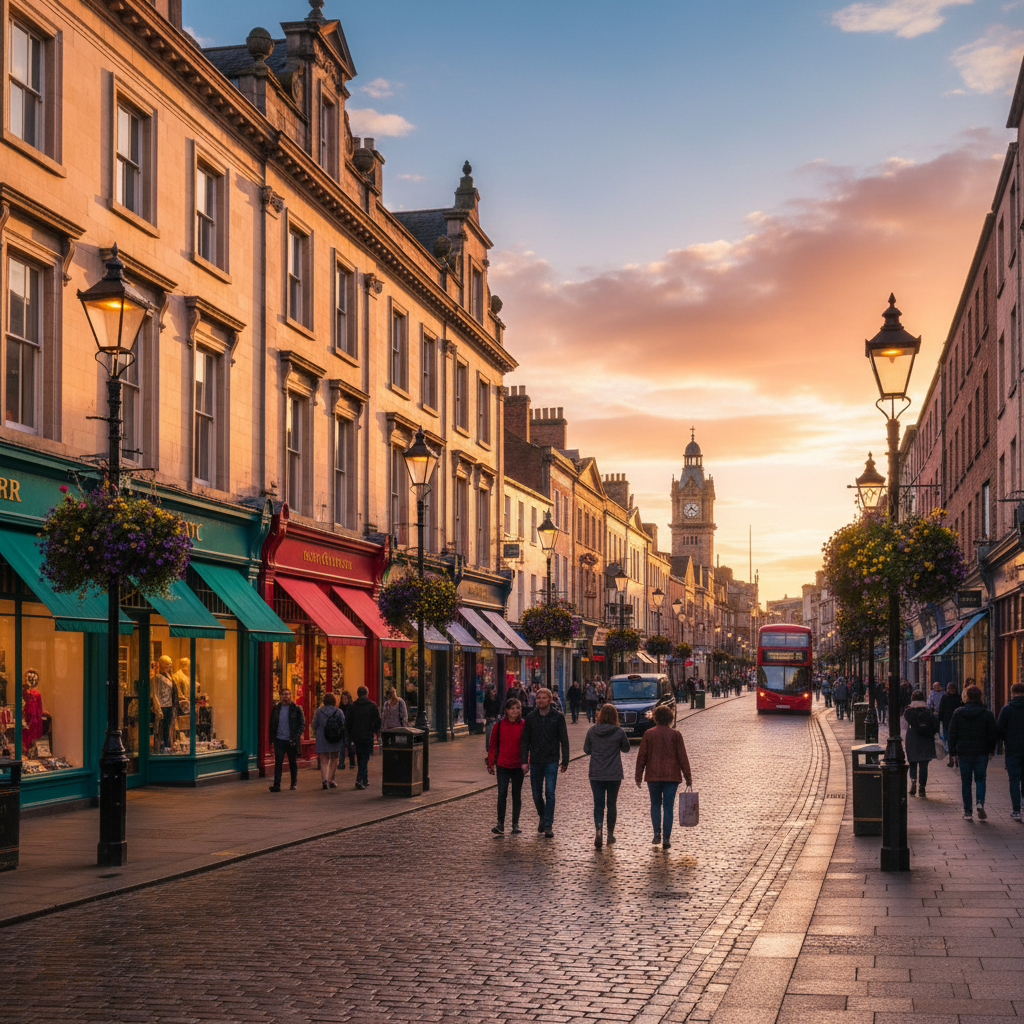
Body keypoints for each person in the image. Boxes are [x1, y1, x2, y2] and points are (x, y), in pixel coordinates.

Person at [635, 704, 692, 850]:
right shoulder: (675, 735)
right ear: (670, 718)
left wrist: (638, 775)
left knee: (655, 805)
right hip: (671, 776)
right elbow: (683, 758)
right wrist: (688, 777)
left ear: (655, 718)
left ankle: (656, 834)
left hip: (653, 775)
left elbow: (642, 757)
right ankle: (666, 838)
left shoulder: (648, 734)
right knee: (668, 807)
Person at [519, 687, 570, 838]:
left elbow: (564, 740)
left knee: (549, 792)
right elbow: (525, 740)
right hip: (535, 760)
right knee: (536, 795)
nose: (540, 700)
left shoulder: (557, 717)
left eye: (543, 698)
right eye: (538, 698)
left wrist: (565, 760)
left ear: (550, 699)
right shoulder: (531, 717)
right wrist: (524, 761)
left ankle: (548, 824)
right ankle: (542, 816)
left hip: (551, 760)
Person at [948, 684, 997, 820]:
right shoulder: (987, 714)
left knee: (966, 781)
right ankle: (980, 802)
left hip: (964, 751)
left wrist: (952, 752)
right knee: (980, 778)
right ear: (980, 697)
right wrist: (991, 749)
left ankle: (968, 811)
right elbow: (992, 734)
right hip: (981, 750)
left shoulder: (958, 713)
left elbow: (952, 733)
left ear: (967, 697)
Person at [585, 703, 630, 848]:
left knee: (598, 804)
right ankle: (610, 834)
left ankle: (598, 830)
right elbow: (626, 749)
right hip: (614, 773)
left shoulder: (592, 731)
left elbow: (586, 749)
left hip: (596, 773)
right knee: (611, 804)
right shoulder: (619, 731)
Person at [487, 697, 526, 834]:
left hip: (518, 766)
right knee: (502, 794)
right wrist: (490, 763)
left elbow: (527, 745)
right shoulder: (498, 726)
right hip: (503, 765)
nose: (515, 711)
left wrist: (526, 761)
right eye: (512, 708)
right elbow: (492, 745)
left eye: (518, 708)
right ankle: (500, 824)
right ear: (507, 710)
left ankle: (515, 824)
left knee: (516, 795)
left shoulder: (524, 725)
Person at [903, 689, 938, 798]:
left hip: (912, 739)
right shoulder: (928, 712)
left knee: (913, 762)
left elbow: (907, 718)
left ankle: (913, 780)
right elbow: (935, 725)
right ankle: (922, 787)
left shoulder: (909, 712)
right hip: (926, 740)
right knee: (924, 765)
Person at [268, 686, 305, 792]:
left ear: (290, 696)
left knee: (292, 762)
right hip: (279, 740)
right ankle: (276, 785)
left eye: (287, 694)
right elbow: (272, 724)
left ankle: (293, 783)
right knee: (278, 762)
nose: (285, 696)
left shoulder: (296, 708)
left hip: (291, 740)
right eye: (283, 694)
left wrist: (296, 737)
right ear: (281, 696)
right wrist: (272, 739)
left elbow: (302, 724)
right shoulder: (276, 709)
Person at [997, 681, 1024, 821]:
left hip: (1012, 748)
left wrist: (1004, 739)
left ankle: (1016, 810)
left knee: (1014, 779)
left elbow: (999, 728)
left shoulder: (1007, 709)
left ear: (1012, 693)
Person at [346, 685, 381, 790]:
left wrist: (350, 735)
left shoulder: (352, 706)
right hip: (367, 735)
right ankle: (359, 779)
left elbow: (348, 722)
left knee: (361, 756)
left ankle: (365, 779)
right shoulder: (372, 706)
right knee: (365, 757)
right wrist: (374, 730)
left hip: (356, 736)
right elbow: (378, 721)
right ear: (367, 693)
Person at [313, 693, 346, 789]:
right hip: (335, 738)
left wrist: (318, 731)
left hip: (322, 737)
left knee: (324, 760)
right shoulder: (338, 711)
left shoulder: (319, 711)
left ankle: (324, 780)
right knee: (334, 758)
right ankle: (331, 779)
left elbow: (314, 724)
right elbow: (343, 724)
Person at [938, 682, 963, 765]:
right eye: (950, 688)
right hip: (954, 721)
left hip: (948, 721)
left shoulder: (945, 697)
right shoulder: (958, 697)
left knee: (949, 739)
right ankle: (955, 758)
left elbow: (941, 709)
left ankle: (952, 758)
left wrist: (940, 718)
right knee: (954, 739)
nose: (951, 690)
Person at [338, 690, 356, 769]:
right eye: (343, 699)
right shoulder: (340, 709)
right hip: (342, 730)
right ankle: (341, 763)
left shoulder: (351, 708)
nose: (345, 700)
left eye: (346, 698)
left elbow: (353, 720)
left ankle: (352, 763)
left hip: (349, 730)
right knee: (341, 747)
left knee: (350, 747)